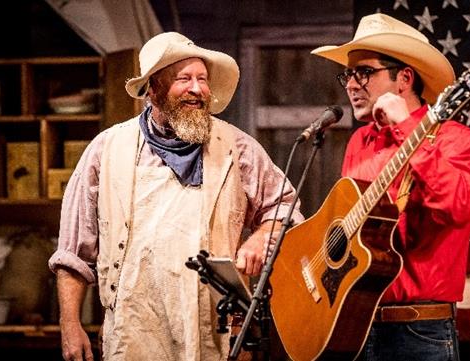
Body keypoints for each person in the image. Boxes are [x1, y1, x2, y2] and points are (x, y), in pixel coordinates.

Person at [48, 32, 304, 361]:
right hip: (134, 331)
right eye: (184, 79)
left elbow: (286, 210)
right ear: (153, 88)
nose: (197, 89)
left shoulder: (236, 148)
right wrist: (70, 324)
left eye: (202, 79)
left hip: (216, 333)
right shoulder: (107, 149)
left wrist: (262, 236)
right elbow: (73, 252)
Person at [311, 13, 470, 361]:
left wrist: (407, 126)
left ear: (404, 78)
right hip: (352, 326)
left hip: (419, 332)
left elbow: (457, 206)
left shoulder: (459, 141)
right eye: (348, 74)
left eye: (364, 72)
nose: (350, 84)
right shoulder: (360, 141)